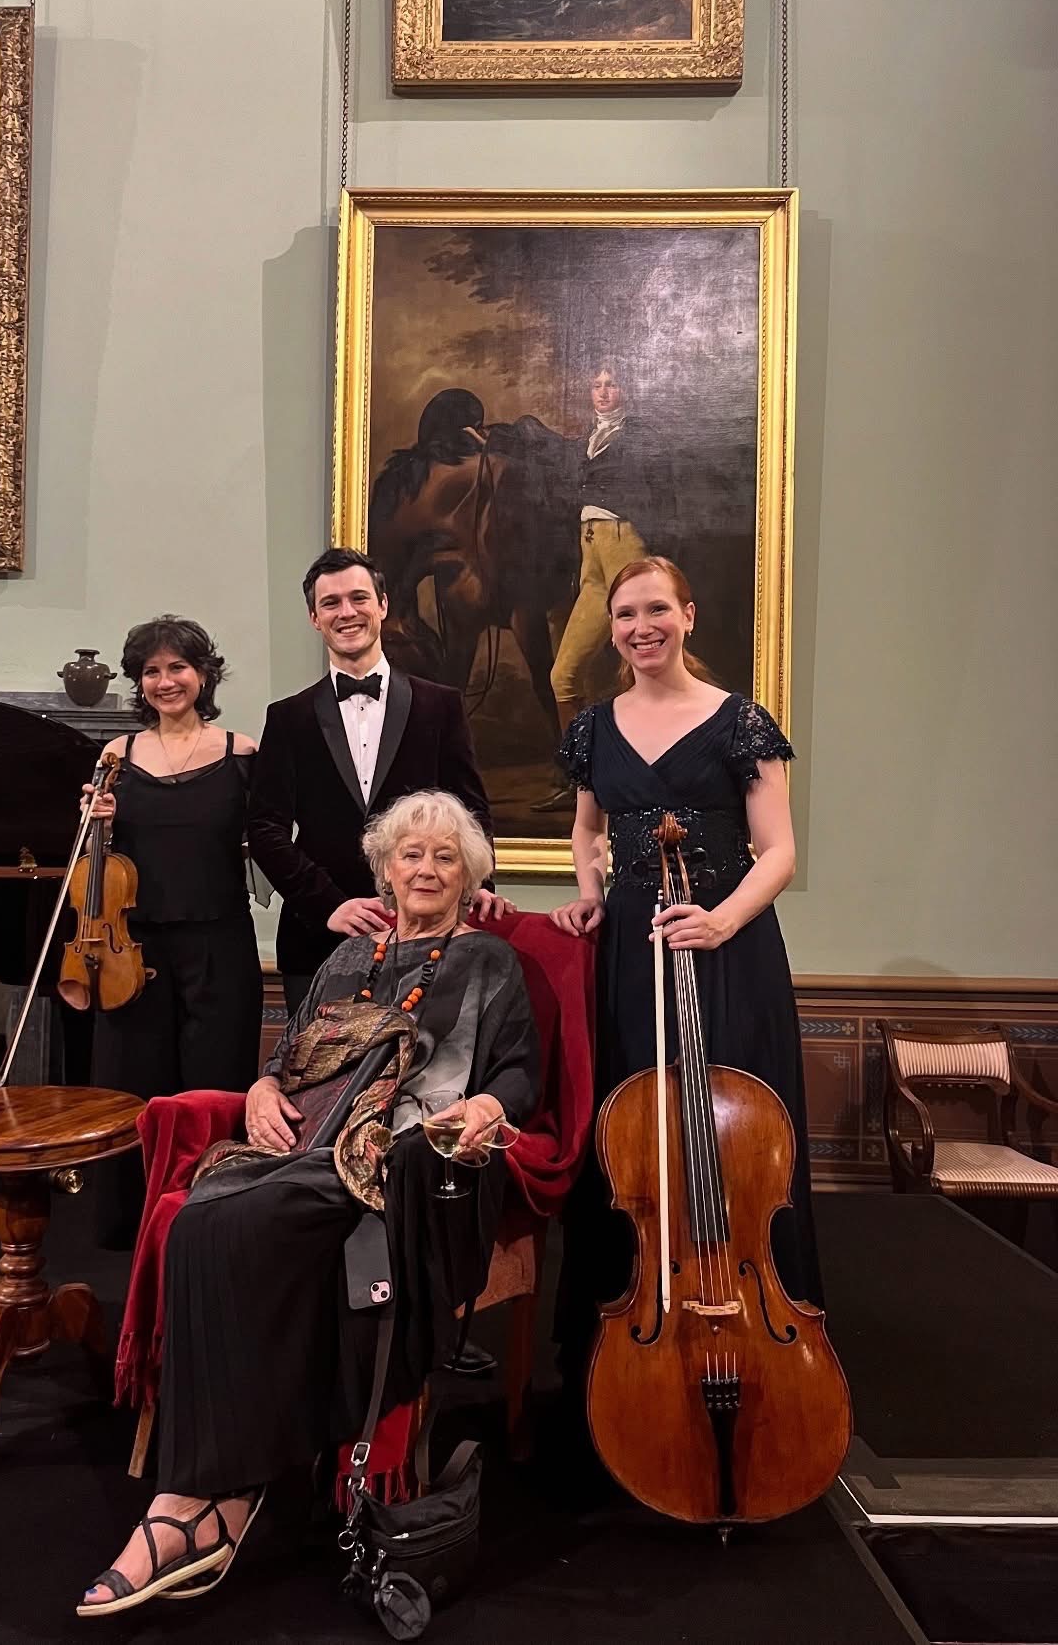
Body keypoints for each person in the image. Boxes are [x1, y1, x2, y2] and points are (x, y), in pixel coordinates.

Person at [77, 791, 538, 1616]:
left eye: (443, 857)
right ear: (384, 868)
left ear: (469, 875)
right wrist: (258, 1085)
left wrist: (485, 1109)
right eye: (410, 855)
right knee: (202, 1218)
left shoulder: (487, 962)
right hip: (307, 1144)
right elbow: (290, 1054)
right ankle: (217, 1491)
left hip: (406, 1156)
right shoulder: (350, 955)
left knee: (222, 1222)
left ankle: (199, 1503)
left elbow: (515, 1073)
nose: (425, 869)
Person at [547, 555, 822, 1392]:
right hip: (633, 947)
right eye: (625, 614)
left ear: (689, 616)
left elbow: (778, 851)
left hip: (728, 946)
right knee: (632, 1139)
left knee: (731, 1130)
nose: (640, 628)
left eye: (657, 610)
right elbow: (586, 832)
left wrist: (721, 919)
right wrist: (591, 896)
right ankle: (629, 1322)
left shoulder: (740, 722)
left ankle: (755, 1313)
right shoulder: (596, 726)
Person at [247, 547, 508, 1018]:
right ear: (314, 618)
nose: (346, 612)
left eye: (358, 598)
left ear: (382, 606)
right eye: (331, 603)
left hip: (426, 933)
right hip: (318, 935)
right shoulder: (287, 718)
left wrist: (478, 883)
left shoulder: (440, 705)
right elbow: (265, 829)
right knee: (315, 1084)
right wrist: (331, 905)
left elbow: (471, 810)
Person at [73, 616, 262, 1099]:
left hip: (220, 945)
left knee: (215, 1084)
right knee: (132, 1090)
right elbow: (95, 861)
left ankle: (209, 1177)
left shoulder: (242, 753)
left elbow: (267, 844)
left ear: (203, 674)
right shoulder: (117, 753)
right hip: (133, 951)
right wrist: (99, 824)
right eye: (151, 671)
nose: (165, 682)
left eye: (177, 667)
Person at [533, 360, 674, 812]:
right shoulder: (588, 441)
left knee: (644, 668)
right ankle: (583, 778)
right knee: (564, 675)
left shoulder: (642, 436)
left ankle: (651, 778)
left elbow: (664, 493)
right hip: (591, 552)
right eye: (596, 385)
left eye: (611, 384)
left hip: (625, 545)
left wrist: (657, 560)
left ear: (626, 389)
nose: (603, 392)